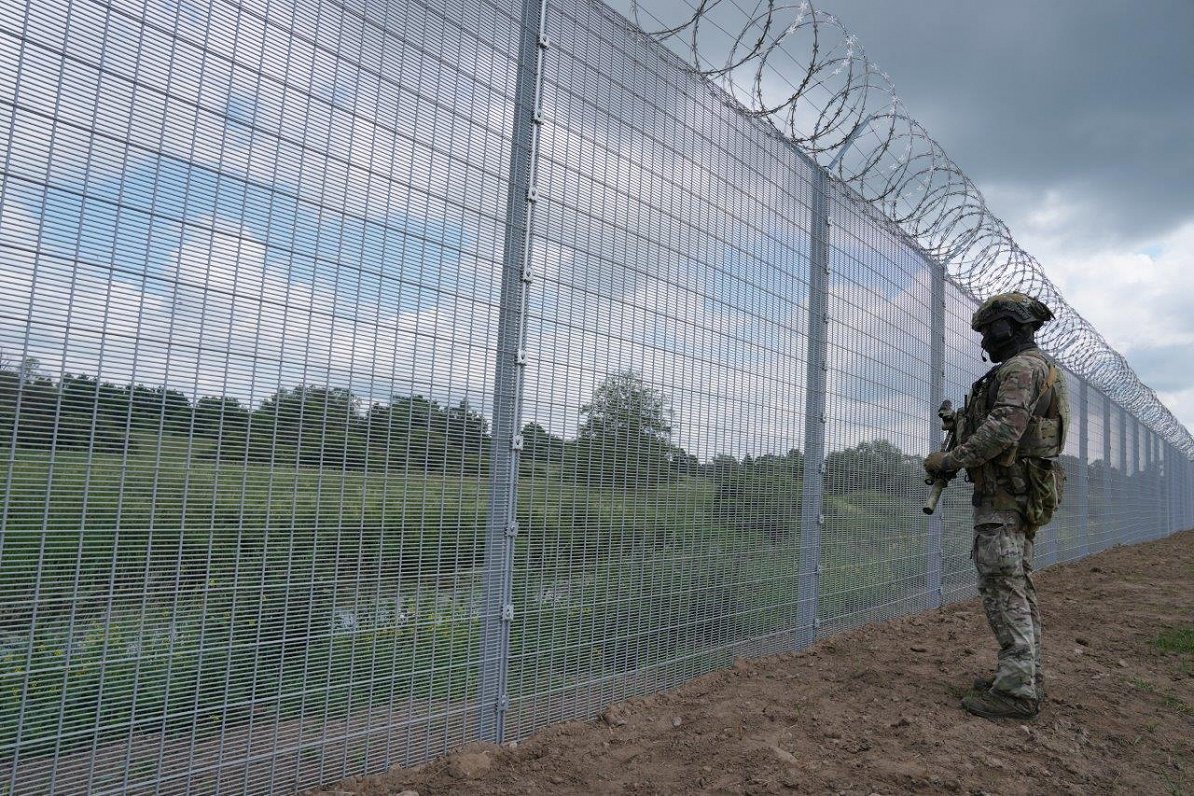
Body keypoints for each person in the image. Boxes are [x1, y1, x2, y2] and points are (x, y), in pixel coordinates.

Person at [923, 292, 1070, 720]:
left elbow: (1005, 430)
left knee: (1002, 585)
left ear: (1007, 326)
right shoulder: (1027, 368)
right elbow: (1003, 424)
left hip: (1007, 494)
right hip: (1015, 492)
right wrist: (961, 424)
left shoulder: (1022, 368)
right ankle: (1022, 675)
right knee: (1016, 584)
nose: (985, 338)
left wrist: (950, 460)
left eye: (988, 329)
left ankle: (1016, 691)